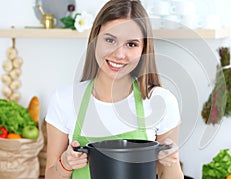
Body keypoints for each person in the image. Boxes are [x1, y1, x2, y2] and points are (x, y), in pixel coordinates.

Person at [45, 0, 183, 179]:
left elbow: (168, 173)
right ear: (95, 39)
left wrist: (171, 160)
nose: (119, 54)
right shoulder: (64, 100)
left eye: (131, 44)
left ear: (144, 49)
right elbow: (50, 174)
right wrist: (65, 164)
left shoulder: (161, 101)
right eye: (110, 40)